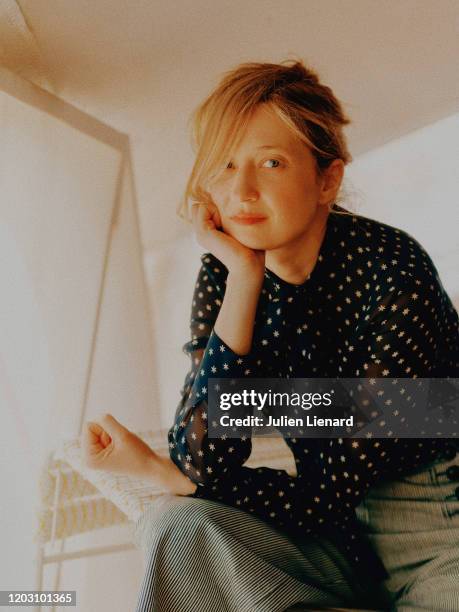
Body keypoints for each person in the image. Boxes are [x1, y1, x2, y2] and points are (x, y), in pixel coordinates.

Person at [83, 60, 459, 611]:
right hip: (335, 539)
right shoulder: (227, 270)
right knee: (176, 527)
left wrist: (187, 473)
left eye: (271, 163)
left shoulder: (395, 274)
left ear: (327, 179)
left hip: (432, 525)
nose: (242, 191)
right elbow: (205, 455)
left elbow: (326, 486)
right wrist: (243, 281)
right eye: (224, 165)